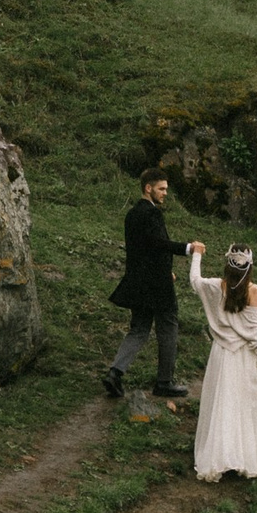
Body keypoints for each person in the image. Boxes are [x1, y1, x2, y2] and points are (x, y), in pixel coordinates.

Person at [186, 240, 257, 481]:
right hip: (244, 356)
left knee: (222, 403)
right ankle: (241, 455)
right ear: (249, 268)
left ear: (227, 266)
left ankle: (220, 454)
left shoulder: (216, 287)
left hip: (221, 354)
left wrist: (197, 254)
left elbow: (195, 281)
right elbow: (255, 333)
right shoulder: (254, 291)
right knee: (243, 405)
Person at [103, 170, 195, 400]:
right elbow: (159, 244)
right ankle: (164, 382)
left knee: (140, 329)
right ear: (148, 188)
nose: (165, 193)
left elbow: (143, 251)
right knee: (168, 327)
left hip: (138, 283)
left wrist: (166, 271)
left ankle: (115, 372)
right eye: (161, 189)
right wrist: (188, 248)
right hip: (157, 287)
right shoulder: (152, 214)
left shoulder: (132, 214)